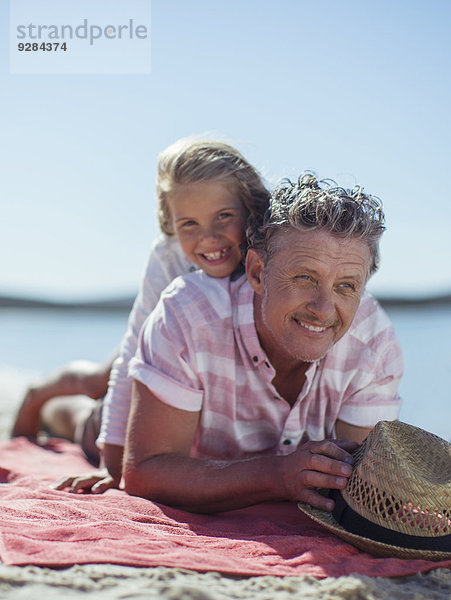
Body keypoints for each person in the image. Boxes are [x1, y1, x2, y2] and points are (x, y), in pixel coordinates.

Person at [122, 174, 403, 514]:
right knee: (88, 424)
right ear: (256, 272)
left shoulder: (373, 344)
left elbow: (353, 488)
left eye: (346, 286)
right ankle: (53, 396)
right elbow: (143, 472)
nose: (323, 309)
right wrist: (277, 474)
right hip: (157, 397)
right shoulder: (190, 314)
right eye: (305, 278)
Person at [11, 136, 271, 492]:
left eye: (223, 216)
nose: (209, 238)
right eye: (189, 224)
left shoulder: (270, 253)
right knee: (95, 395)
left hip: (194, 371)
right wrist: (112, 465)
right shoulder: (169, 258)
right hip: (151, 353)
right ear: (170, 224)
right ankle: (41, 398)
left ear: (251, 209)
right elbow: (134, 350)